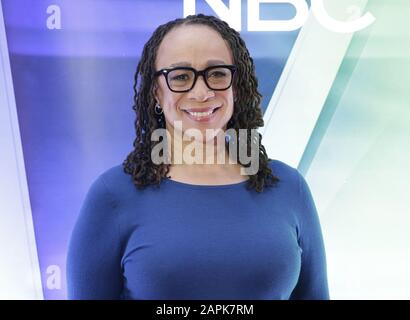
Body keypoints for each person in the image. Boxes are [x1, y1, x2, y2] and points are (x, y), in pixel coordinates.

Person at [66, 13, 329, 300]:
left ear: (236, 86)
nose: (201, 92)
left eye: (217, 73)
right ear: (155, 92)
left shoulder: (290, 188)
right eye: (180, 77)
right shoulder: (113, 195)